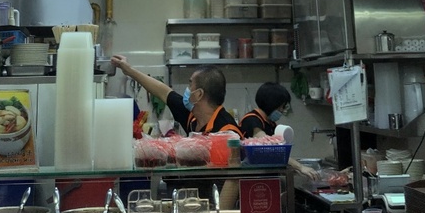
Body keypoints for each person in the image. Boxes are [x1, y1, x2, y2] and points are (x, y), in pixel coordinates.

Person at [111, 55, 242, 136]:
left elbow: (233, 179)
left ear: (199, 94)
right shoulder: (193, 117)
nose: (187, 89)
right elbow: (163, 91)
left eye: (190, 84)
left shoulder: (227, 131)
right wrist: (129, 70)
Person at [240, 82, 319, 179]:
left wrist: (295, 169)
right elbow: (270, 149)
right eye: (282, 106)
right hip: (249, 176)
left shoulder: (271, 124)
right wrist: (300, 167)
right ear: (273, 103)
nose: (282, 110)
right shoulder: (252, 119)